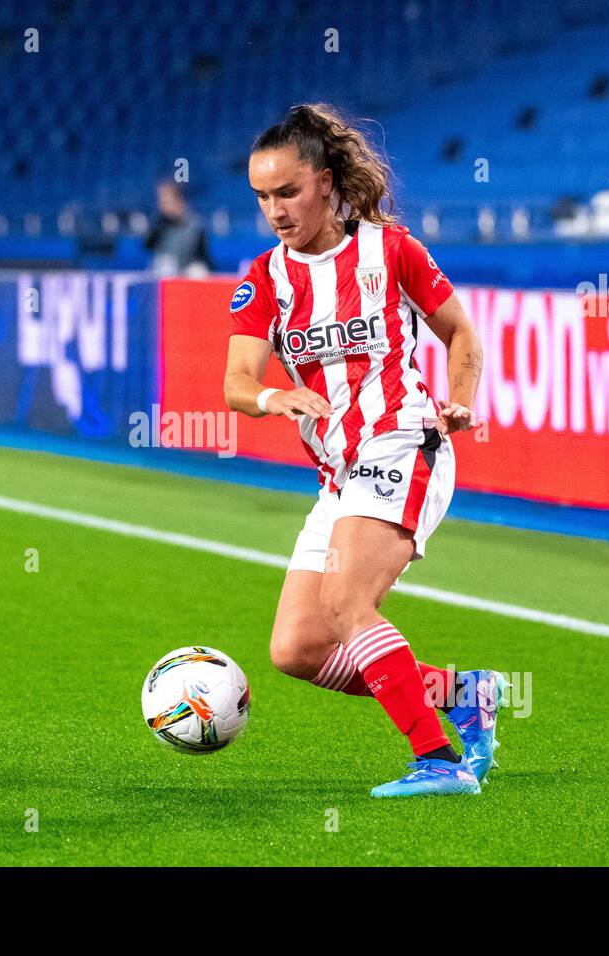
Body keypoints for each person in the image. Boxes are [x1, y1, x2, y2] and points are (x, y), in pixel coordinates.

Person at [224, 103, 505, 798]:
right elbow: (235, 382)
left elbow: (462, 334)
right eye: (262, 197)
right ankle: (464, 693)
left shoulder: (390, 249)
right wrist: (272, 398)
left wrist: (461, 397)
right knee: (296, 648)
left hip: (406, 441)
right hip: (339, 473)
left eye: (287, 192)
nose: (276, 210)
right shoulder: (265, 278)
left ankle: (438, 760)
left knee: (348, 601)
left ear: (324, 181)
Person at [144, 180, 211, 277]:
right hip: (164, 273)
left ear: (180, 201)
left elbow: (204, 257)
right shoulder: (159, 224)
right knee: (164, 265)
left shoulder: (196, 226)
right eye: (161, 202)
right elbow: (147, 246)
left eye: (166, 202)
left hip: (188, 273)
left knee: (198, 271)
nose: (162, 206)